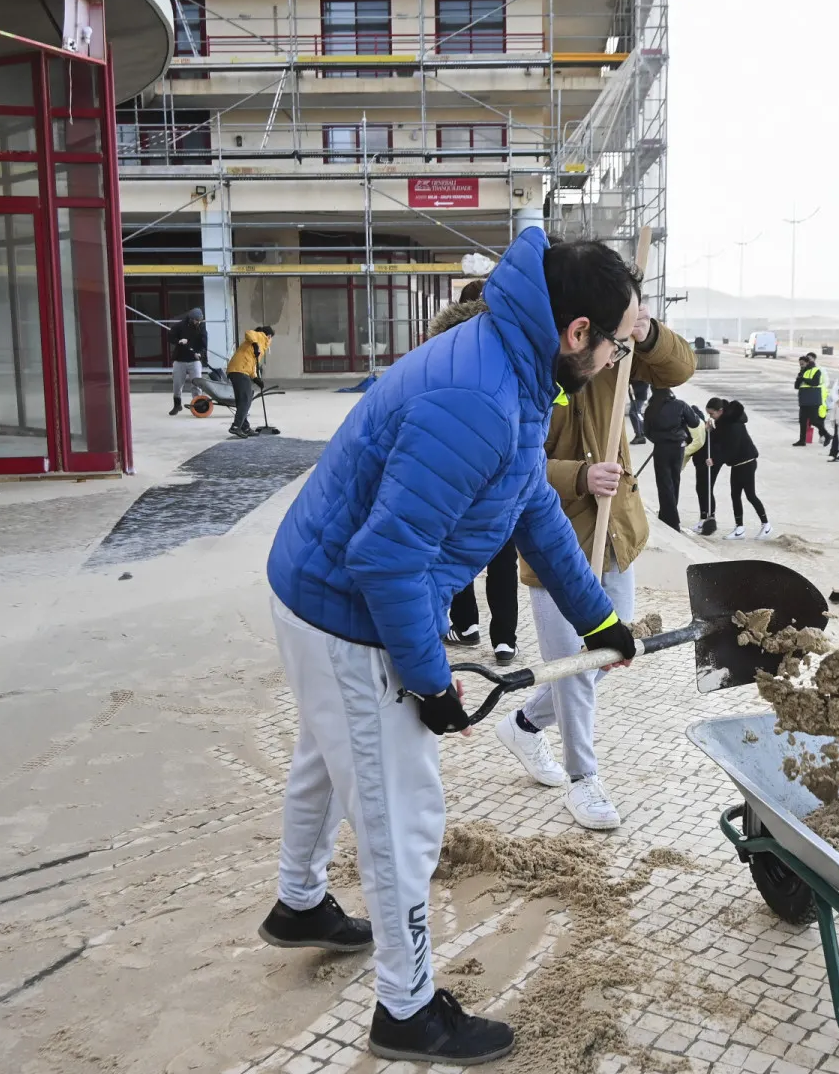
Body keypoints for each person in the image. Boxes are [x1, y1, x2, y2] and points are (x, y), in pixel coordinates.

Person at [260, 230, 642, 1065]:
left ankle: (298, 903)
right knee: (402, 812)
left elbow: (528, 501)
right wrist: (432, 687)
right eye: (618, 343)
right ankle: (406, 1009)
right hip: (343, 609)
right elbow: (386, 559)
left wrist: (597, 618)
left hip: (316, 587)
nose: (619, 359)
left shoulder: (517, 364)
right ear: (577, 332)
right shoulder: (478, 395)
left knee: (328, 757)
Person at [498, 272, 695, 833]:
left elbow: (680, 370)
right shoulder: (533, 365)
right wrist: (579, 475)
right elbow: (515, 460)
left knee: (605, 655)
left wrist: (647, 328)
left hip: (617, 534)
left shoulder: (617, 349)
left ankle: (524, 724)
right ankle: (584, 778)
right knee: (575, 669)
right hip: (554, 541)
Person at [428, 289, 518, 666]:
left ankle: (466, 625)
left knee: (456, 552)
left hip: (456, 477)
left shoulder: (441, 357)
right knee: (501, 559)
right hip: (500, 475)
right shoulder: (512, 358)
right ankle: (505, 640)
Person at [705, 397, 771, 538]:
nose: (711, 416)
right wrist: (711, 431)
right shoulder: (724, 422)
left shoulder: (733, 424)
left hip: (746, 462)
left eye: (712, 414)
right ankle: (739, 528)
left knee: (750, 495)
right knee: (735, 495)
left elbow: (730, 448)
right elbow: (721, 437)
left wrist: (715, 460)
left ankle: (766, 524)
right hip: (737, 464)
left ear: (720, 411)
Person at [643, 385, 700, 531]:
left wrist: (659, 439)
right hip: (678, 447)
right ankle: (670, 517)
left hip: (661, 448)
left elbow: (647, 431)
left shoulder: (651, 409)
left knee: (664, 483)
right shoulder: (680, 405)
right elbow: (695, 422)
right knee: (674, 481)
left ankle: (668, 517)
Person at [226, 325, 274, 438]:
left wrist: (255, 378)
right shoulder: (259, 337)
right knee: (246, 399)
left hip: (238, 370)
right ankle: (236, 426)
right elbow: (248, 332)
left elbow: (251, 364)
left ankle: (245, 427)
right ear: (269, 336)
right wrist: (255, 344)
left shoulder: (261, 346)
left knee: (242, 400)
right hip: (239, 370)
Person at [168, 307, 208, 415]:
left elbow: (204, 344)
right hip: (180, 360)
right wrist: (179, 341)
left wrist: (200, 353)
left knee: (197, 384)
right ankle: (177, 405)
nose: (198, 322)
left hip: (194, 361)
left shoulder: (202, 327)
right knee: (177, 384)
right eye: (196, 320)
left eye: (199, 320)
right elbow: (170, 337)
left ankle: (198, 405)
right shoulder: (180, 326)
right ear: (191, 319)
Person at [793, 354, 829, 446]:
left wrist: (803, 379)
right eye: (800, 364)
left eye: (803, 364)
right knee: (802, 420)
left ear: (807, 362)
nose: (801, 365)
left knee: (814, 420)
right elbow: (796, 386)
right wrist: (799, 378)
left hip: (813, 398)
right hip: (804, 399)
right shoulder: (801, 372)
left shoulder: (816, 370)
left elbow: (815, 382)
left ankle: (826, 434)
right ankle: (802, 440)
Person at [627, 378, 651, 445]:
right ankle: (641, 433)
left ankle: (639, 435)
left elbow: (646, 384)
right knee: (637, 413)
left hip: (639, 396)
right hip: (634, 396)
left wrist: (634, 390)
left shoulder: (642, 372)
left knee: (633, 413)